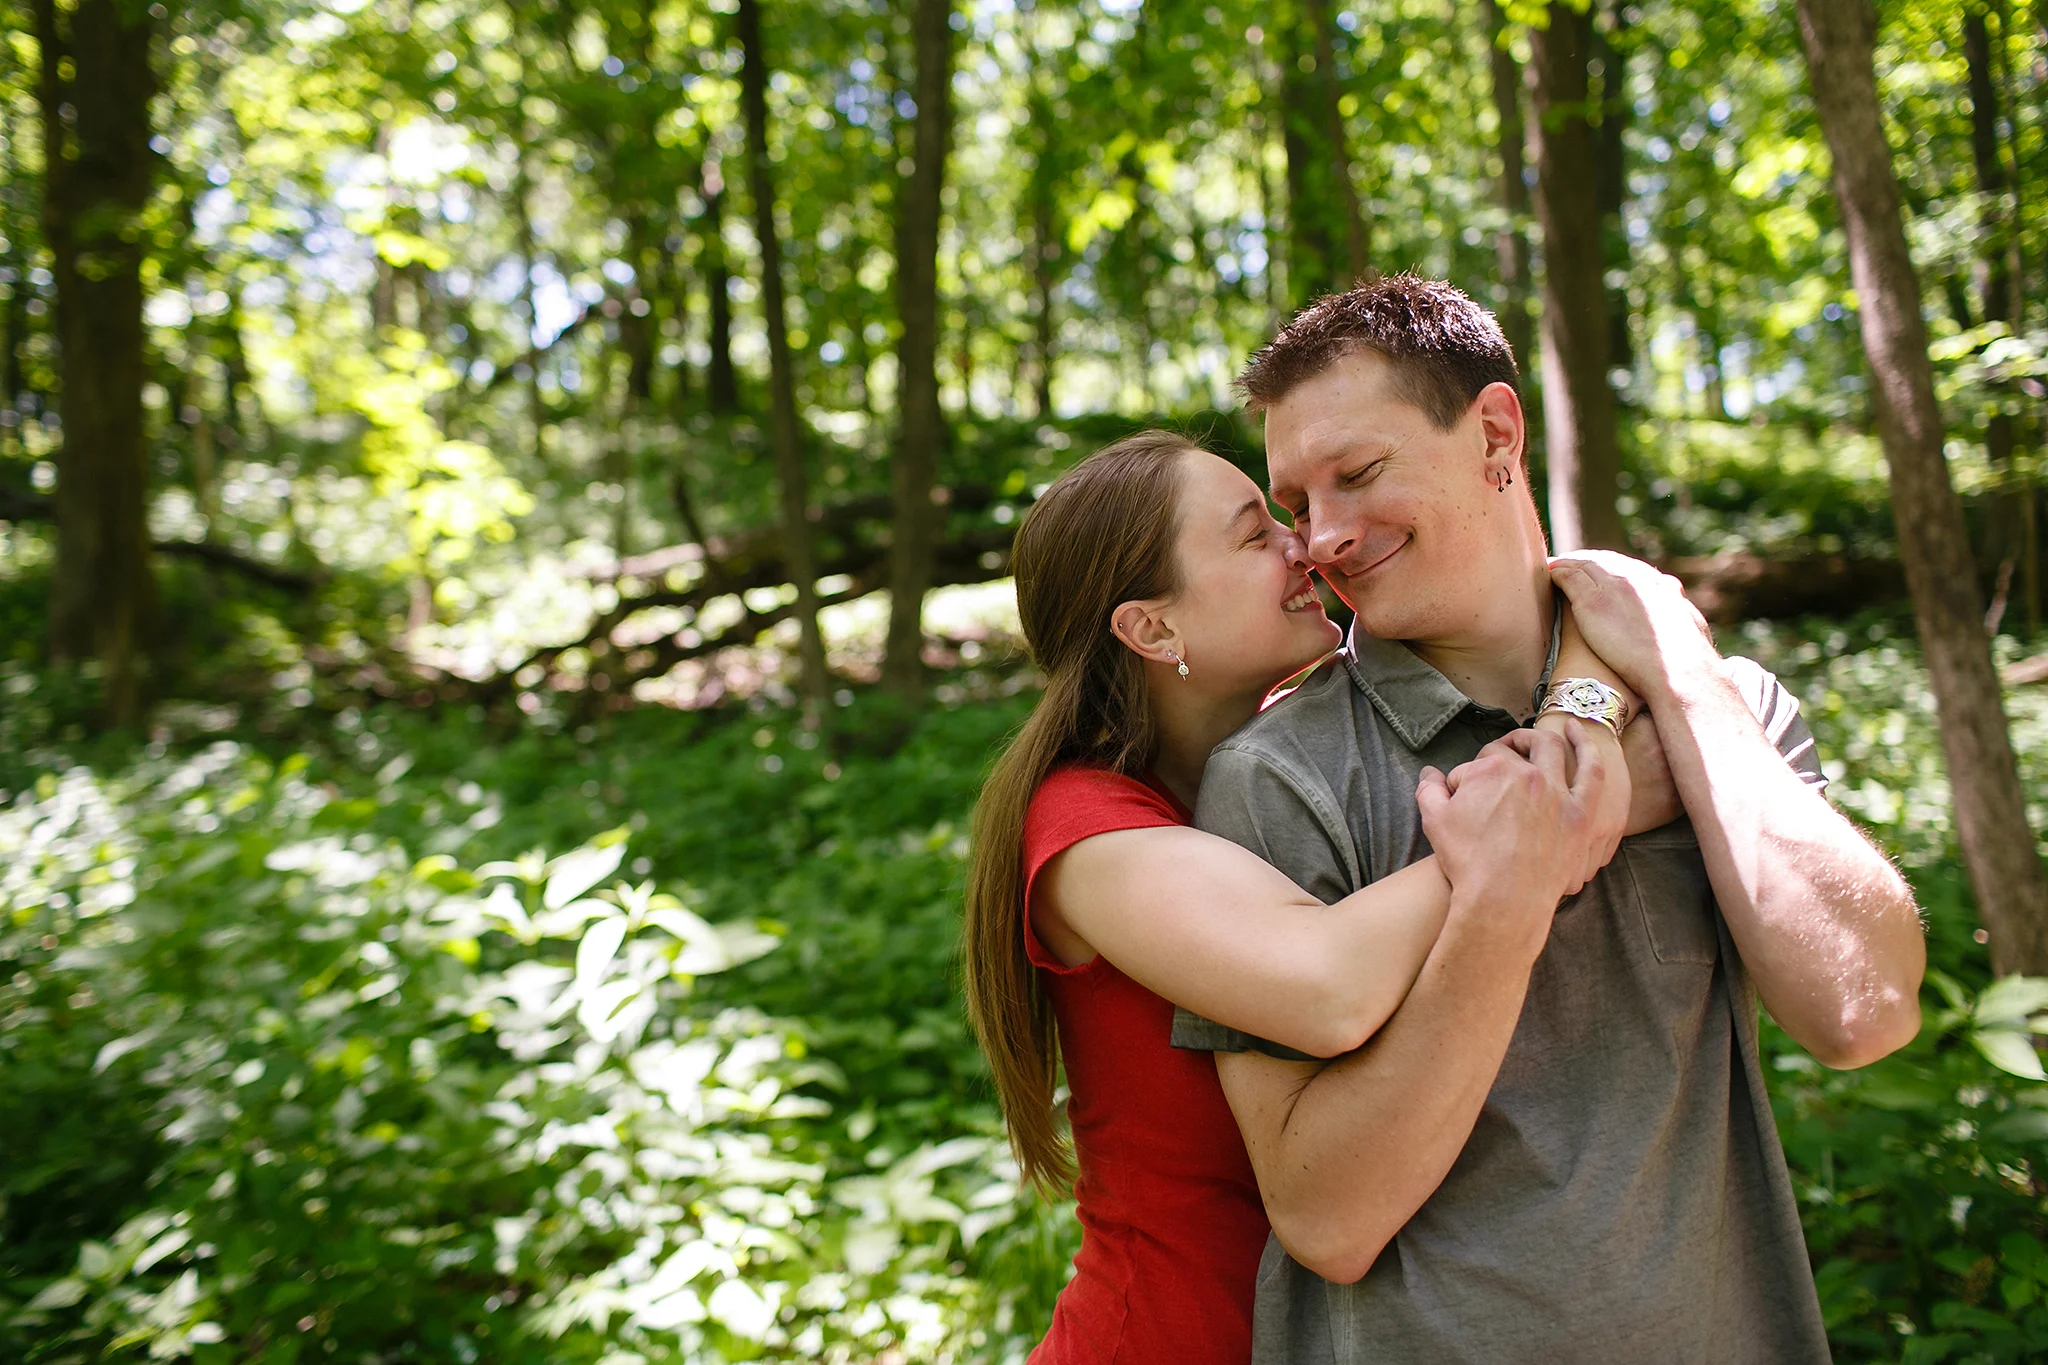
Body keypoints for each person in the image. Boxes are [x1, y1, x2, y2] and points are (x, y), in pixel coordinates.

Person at [1169, 274, 1927, 1364]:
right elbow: (1324, 1219)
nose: (1321, 538)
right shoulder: (1277, 774)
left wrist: (1685, 681)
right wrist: (1515, 877)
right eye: (1293, 505)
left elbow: (1861, 1010)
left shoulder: (1721, 712)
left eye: (1357, 474)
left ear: (1493, 433)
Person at [961, 428, 1671, 1364]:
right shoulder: (1082, 830)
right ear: (1153, 628)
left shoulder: (1279, 770)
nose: (1307, 544)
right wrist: (1589, 804)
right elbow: (1326, 986)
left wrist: (1579, 710)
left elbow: (1554, 604)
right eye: (1256, 536)